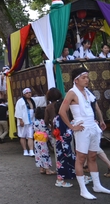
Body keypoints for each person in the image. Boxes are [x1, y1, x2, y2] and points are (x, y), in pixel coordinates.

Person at [58, 67, 110, 199]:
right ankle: (83, 189)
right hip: (82, 129)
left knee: (92, 156)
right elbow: (62, 111)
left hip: (92, 127)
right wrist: (71, 127)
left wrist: (101, 120)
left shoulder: (87, 91)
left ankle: (97, 185)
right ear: (76, 80)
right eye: (84, 77)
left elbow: (94, 106)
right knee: (81, 158)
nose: (87, 80)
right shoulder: (72, 93)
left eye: (87, 77)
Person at [53, 99, 76, 188]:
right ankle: (60, 180)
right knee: (63, 161)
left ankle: (70, 176)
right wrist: (73, 126)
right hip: (63, 143)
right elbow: (66, 133)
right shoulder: (62, 118)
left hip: (60, 142)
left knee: (64, 160)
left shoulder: (56, 118)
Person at [33, 107, 55, 175]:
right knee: (45, 154)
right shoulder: (43, 122)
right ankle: (47, 169)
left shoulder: (35, 121)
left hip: (36, 140)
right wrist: (52, 142)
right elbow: (47, 131)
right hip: (43, 141)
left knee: (38, 154)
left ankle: (41, 168)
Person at [14, 88, 36, 156]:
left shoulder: (33, 100)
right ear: (23, 94)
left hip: (31, 121)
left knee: (30, 136)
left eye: (29, 92)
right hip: (23, 121)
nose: (29, 94)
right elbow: (18, 111)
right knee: (22, 136)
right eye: (27, 93)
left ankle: (31, 151)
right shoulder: (20, 101)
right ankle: (25, 150)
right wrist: (20, 120)